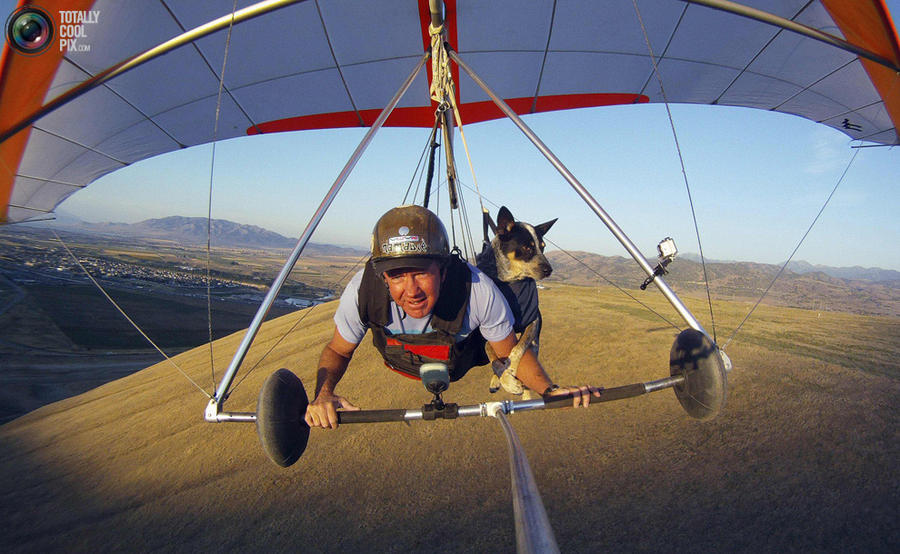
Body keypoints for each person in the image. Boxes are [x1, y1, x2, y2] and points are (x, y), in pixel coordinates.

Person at [304, 205, 598, 429]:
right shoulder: (363, 291)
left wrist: (550, 390)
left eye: (421, 272)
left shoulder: (479, 290)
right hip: (398, 360)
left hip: (459, 359)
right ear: (383, 277)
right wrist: (324, 394)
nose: (411, 290)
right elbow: (337, 350)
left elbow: (510, 353)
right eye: (396, 276)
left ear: (443, 271)